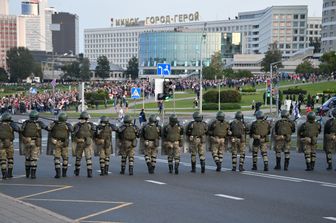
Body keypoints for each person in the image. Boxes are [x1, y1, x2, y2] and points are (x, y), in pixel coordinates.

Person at [21, 110, 47, 179]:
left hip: (26, 142)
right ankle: (33, 174)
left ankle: (27, 174)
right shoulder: (39, 123)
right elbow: (47, 128)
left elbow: (21, 131)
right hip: (35, 142)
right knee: (34, 158)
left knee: (27, 157)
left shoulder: (25, 123)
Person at [47, 112, 73, 178]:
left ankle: (58, 173)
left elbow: (48, 129)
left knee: (57, 158)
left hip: (56, 142)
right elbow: (72, 130)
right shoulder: (67, 125)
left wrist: (54, 123)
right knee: (65, 158)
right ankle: (64, 173)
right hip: (65, 143)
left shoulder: (54, 124)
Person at [73, 111, 96, 177]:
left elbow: (74, 134)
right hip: (88, 143)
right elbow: (94, 132)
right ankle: (89, 173)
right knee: (88, 158)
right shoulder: (90, 125)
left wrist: (77, 139)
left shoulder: (77, 125)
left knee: (78, 158)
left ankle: (77, 171)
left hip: (80, 143)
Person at [0, 113, 20, 179]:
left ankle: (4, 174)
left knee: (2, 159)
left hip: (1, 143)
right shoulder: (11, 124)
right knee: (10, 158)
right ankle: (10, 173)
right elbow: (18, 129)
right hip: (10, 143)